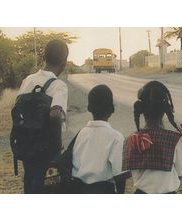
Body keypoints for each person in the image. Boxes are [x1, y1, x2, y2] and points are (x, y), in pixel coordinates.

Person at [122, 81, 182, 194]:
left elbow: (129, 171)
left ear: (141, 110)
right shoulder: (174, 140)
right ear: (165, 111)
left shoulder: (131, 140)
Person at [17, 39, 69, 193]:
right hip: (47, 151)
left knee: (30, 185)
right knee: (49, 188)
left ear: (44, 58)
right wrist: (57, 150)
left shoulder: (27, 81)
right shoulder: (58, 86)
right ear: (64, 63)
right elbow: (55, 115)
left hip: (27, 147)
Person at [71, 85, 125, 194]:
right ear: (112, 109)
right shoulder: (116, 137)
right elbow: (120, 176)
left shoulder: (81, 133)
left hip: (78, 189)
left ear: (89, 108)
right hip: (103, 190)